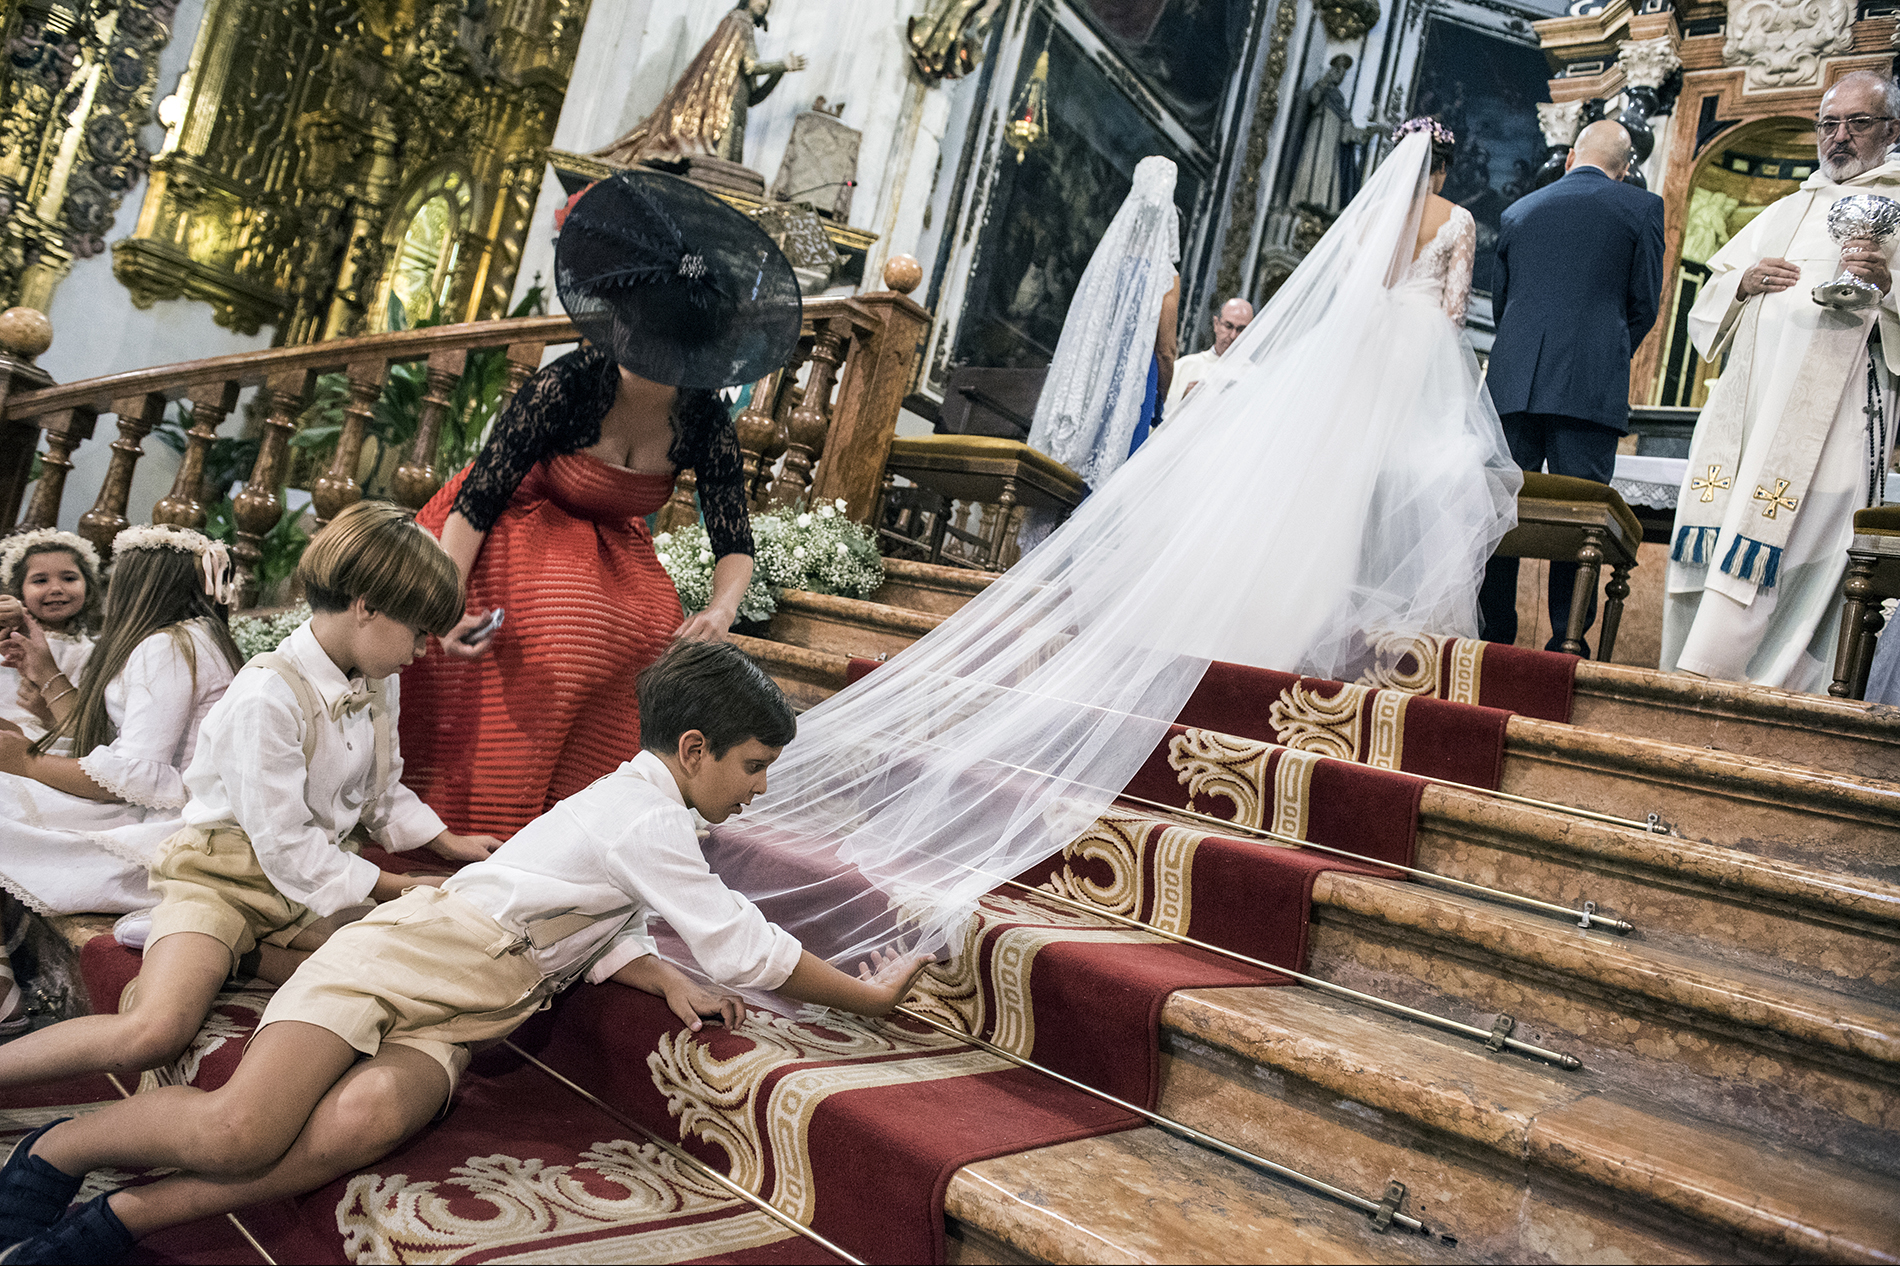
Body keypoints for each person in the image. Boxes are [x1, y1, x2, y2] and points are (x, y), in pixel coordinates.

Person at [685, 123, 1519, 978]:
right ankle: (1341, 610)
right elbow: (1450, 314)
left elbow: (1356, 289)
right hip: (1413, 356)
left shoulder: (1371, 220)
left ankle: (1282, 607)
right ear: (1448, 168)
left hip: (1355, 355)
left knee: (1328, 489)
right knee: (1396, 487)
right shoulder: (1455, 220)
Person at [0, 640, 931, 1262]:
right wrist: (868, 999)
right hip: (405, 959)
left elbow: (586, 906)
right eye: (755, 765)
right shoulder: (646, 817)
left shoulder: (644, 808)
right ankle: (58, 1150)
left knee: (362, 1122)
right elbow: (741, 946)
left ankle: (121, 1221)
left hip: (469, 1003)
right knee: (240, 1130)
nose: (761, 790)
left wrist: (641, 962)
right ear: (694, 748)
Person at [0, 503, 499, 1093]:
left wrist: (449, 844)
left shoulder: (377, 677)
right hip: (228, 878)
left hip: (304, 887)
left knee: (412, 963)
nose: (421, 651)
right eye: (419, 631)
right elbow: (283, 843)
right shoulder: (266, 695)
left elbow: (383, 792)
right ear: (367, 606)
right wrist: (398, 885)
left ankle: (244, 954)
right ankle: (191, 935)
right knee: (155, 1032)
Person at [399, 169, 803, 838]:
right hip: (508, 528)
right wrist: (444, 607)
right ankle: (482, 825)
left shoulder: (703, 422)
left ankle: (575, 836)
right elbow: (477, 502)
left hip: (613, 547)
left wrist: (720, 609)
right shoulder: (566, 387)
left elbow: (734, 542)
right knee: (562, 635)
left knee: (650, 644)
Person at [1662, 71, 1900, 692]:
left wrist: (1890, 287)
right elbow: (1704, 307)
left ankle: (1780, 687)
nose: (1839, 137)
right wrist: (1740, 284)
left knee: (1806, 551)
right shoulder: (1784, 210)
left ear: (1891, 131)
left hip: (1841, 425)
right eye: (1828, 124)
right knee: (1738, 534)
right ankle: (1701, 678)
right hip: (1747, 425)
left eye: (1858, 123)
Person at [0, 525, 243, 1037]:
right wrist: (45, 674)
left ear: (141, 581)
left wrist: (23, 761)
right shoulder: (195, 637)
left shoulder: (168, 646)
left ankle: (5, 994)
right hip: (160, 807)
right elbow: (112, 749)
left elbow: (133, 775)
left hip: (168, 827)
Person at [1477, 118, 1666, 652]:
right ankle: (1567, 640)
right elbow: (1644, 306)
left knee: (1500, 511)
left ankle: (1496, 632)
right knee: (1583, 517)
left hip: (1513, 386)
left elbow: (1502, 305)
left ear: (1568, 157)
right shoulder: (1641, 208)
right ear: (1626, 168)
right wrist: (1603, 356)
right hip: (1589, 390)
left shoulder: (1519, 211)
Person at [1024, 153, 1181, 541]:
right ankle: (1082, 563)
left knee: (1074, 465)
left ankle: (1050, 546)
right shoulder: (1166, 277)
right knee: (1111, 473)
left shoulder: (1104, 265)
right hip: (1132, 385)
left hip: (1088, 375)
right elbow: (1166, 351)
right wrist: (1158, 398)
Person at [592, 0, 807, 167]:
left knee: (725, 177)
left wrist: (781, 71)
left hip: (737, 116)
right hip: (725, 115)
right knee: (718, 177)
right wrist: (782, 64)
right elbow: (751, 65)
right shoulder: (739, 20)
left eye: (769, 2)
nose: (765, 4)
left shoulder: (742, 27)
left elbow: (754, 96)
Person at [0, 530, 101, 742]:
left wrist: (46, 713)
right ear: (20, 591)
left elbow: (85, 723)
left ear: (88, 585)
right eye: (40, 580)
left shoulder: (92, 651)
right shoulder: (10, 634)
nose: (56, 588)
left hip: (50, 738)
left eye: (69, 578)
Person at [1164, 297, 1255, 410]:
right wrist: (1183, 401)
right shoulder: (1184, 366)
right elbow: (1159, 420)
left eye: (1241, 330)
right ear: (1216, 324)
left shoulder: (1254, 376)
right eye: (1228, 326)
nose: (1233, 336)